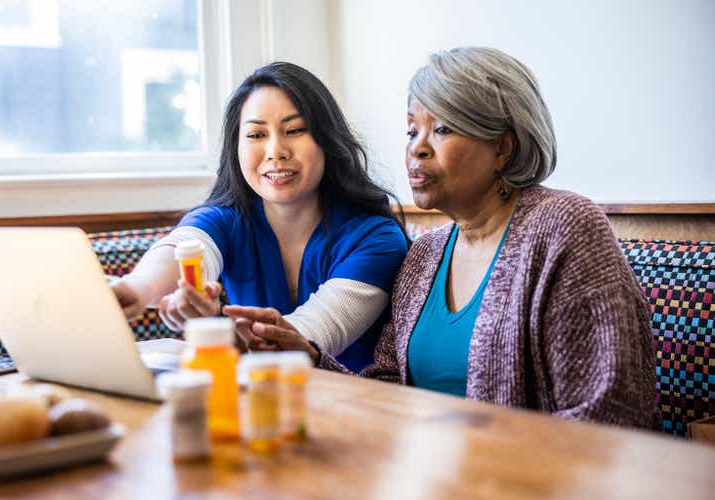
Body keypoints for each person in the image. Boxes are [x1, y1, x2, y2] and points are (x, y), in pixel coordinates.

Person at [224, 47, 657, 428]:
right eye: (412, 131)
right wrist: (308, 356)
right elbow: (389, 391)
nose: (418, 148)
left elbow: (612, 412)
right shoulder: (425, 254)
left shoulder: (564, 227)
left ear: (503, 147)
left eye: (443, 129)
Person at [111, 62, 408, 372]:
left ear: (327, 140)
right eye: (255, 134)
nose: (275, 151)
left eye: (294, 131)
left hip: (354, 404)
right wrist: (133, 291)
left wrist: (212, 328)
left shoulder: (377, 239)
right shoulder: (224, 220)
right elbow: (184, 249)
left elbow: (305, 338)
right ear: (236, 147)